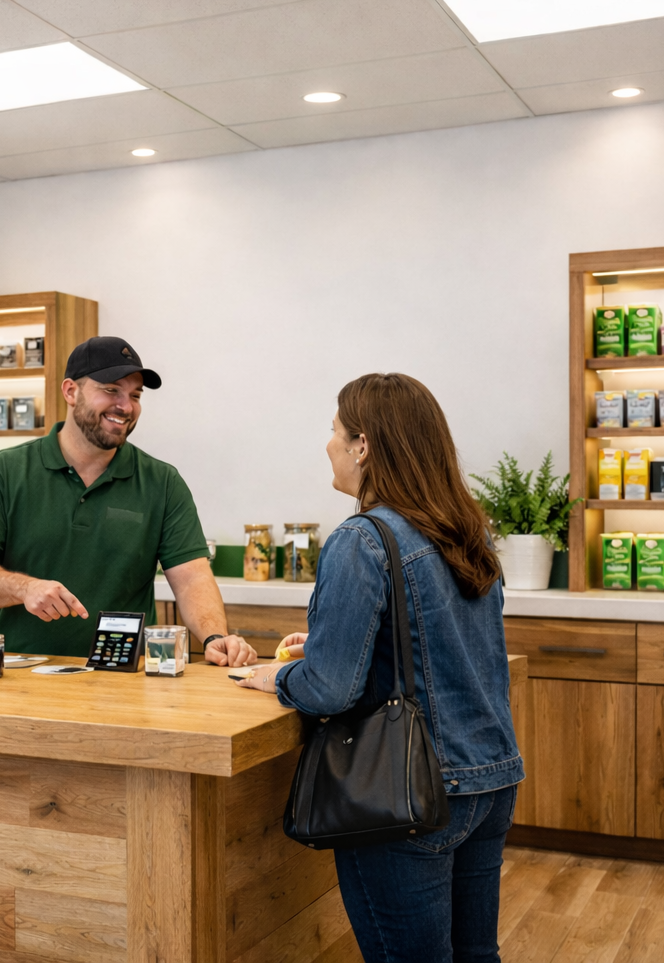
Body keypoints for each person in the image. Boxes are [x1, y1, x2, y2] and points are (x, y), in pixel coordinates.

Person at [236, 373, 523, 963]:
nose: (328, 445)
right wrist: (330, 640)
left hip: (412, 793)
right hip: (491, 780)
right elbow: (440, 649)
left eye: (334, 431)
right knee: (477, 956)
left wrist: (281, 675)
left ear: (363, 444)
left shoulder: (361, 539)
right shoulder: (465, 533)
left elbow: (329, 690)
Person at [0, 336, 257, 666]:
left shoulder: (162, 482)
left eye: (135, 395)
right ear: (70, 391)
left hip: (124, 681)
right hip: (23, 675)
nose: (126, 406)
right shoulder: (5, 472)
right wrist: (24, 589)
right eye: (111, 390)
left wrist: (214, 637)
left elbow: (192, 578)